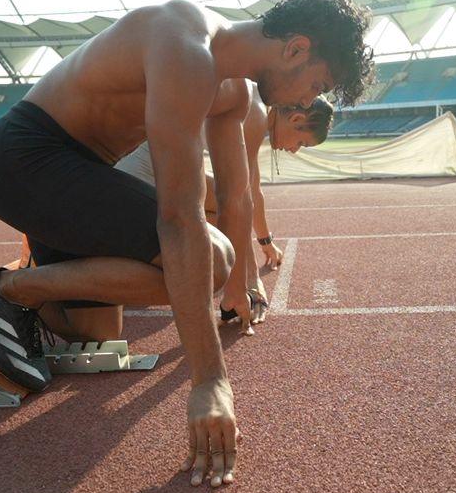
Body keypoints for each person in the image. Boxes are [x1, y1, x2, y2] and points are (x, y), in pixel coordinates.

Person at [0, 0, 373, 488]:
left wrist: (238, 288)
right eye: (316, 85)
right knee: (209, 260)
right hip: (24, 160)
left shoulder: (238, 92)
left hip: (81, 174)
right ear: (295, 48)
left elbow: (235, 196)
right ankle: (8, 292)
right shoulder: (186, 46)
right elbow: (179, 218)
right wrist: (210, 380)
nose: (304, 101)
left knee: (91, 332)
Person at [114, 89, 334, 329]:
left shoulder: (258, 111)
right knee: (223, 228)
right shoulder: (255, 115)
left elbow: (252, 189)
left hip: (156, 173)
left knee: (220, 224)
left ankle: (158, 254)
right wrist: (249, 280)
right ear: (296, 120)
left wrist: (265, 241)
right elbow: (238, 199)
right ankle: (134, 263)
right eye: (301, 142)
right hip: (141, 178)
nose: (294, 150)